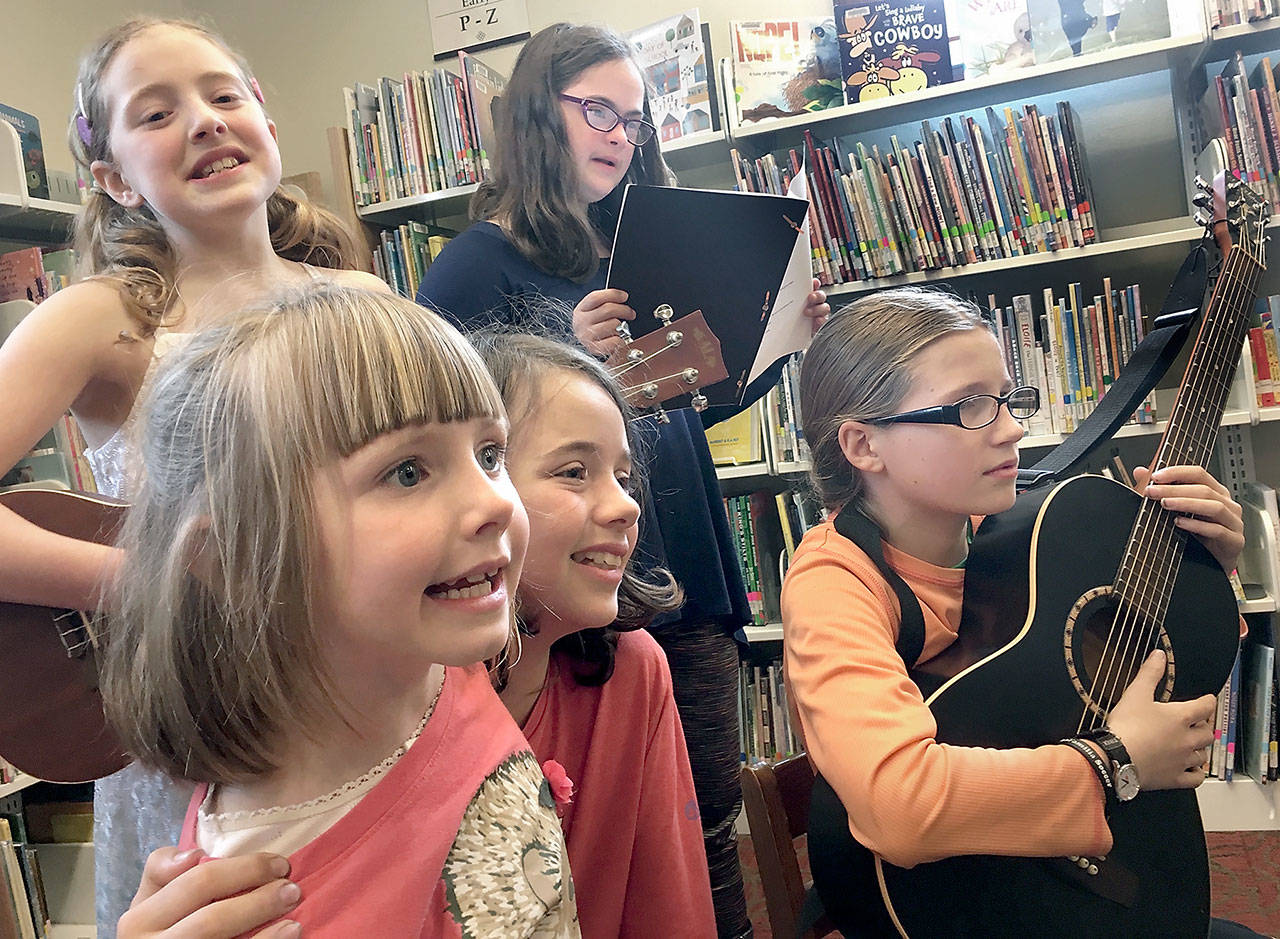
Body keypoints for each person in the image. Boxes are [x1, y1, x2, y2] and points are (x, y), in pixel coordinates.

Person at [416, 24, 828, 935]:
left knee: (706, 812)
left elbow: (678, 416)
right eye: (597, 109)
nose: (619, 134)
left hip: (680, 558)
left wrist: (772, 342)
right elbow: (448, 441)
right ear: (534, 115)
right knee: (572, 825)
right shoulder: (472, 268)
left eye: (635, 120)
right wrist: (579, 360)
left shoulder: (629, 245)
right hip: (561, 598)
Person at [0, 18, 389, 934]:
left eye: (224, 95)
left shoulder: (364, 302)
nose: (206, 121)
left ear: (266, 122)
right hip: (192, 728)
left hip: (359, 694)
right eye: (157, 112)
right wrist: (143, 582)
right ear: (113, 180)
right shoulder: (97, 320)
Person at [782, 285, 1257, 935]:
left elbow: (1157, 655)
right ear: (863, 444)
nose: (1012, 427)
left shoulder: (1023, 524)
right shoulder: (835, 581)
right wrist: (1115, 760)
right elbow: (900, 805)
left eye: (1007, 399)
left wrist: (1204, 564)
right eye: (972, 406)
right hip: (953, 900)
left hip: (1069, 872)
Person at [105, 284, 576, 936]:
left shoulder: (431, 661)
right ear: (236, 560)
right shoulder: (265, 894)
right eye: (407, 471)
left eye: (490, 454)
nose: (497, 501)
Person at [474, 331, 717, 937]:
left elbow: (670, 910)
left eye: (624, 477)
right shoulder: (401, 694)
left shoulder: (635, 670)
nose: (626, 507)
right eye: (575, 472)